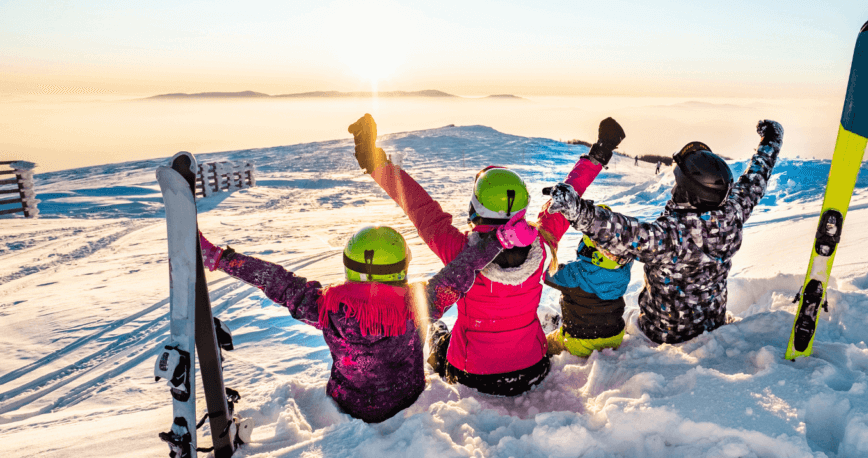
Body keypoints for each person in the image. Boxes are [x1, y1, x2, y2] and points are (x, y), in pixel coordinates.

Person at [348, 114, 626, 396]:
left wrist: (375, 163)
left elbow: (419, 207)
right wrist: (599, 152)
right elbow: (569, 195)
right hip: (532, 368)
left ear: (476, 207)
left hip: (472, 374)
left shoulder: (459, 253)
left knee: (439, 336)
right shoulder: (541, 244)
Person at [197, 216, 536, 423]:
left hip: (349, 403)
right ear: (402, 267)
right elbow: (462, 271)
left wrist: (220, 258)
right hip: (407, 398)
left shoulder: (324, 306)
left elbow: (275, 280)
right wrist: (499, 241)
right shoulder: (419, 306)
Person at [546, 119, 783, 345]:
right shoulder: (733, 213)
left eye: (678, 183)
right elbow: (754, 181)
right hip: (712, 323)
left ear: (687, 193)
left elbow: (621, 232)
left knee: (622, 321)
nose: (674, 187)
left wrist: (577, 210)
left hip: (662, 333)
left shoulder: (671, 236)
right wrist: (770, 141)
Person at [543, 212, 635, 358]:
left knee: (544, 344)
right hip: (615, 337)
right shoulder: (624, 270)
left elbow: (546, 273)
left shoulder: (573, 273)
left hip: (580, 342)